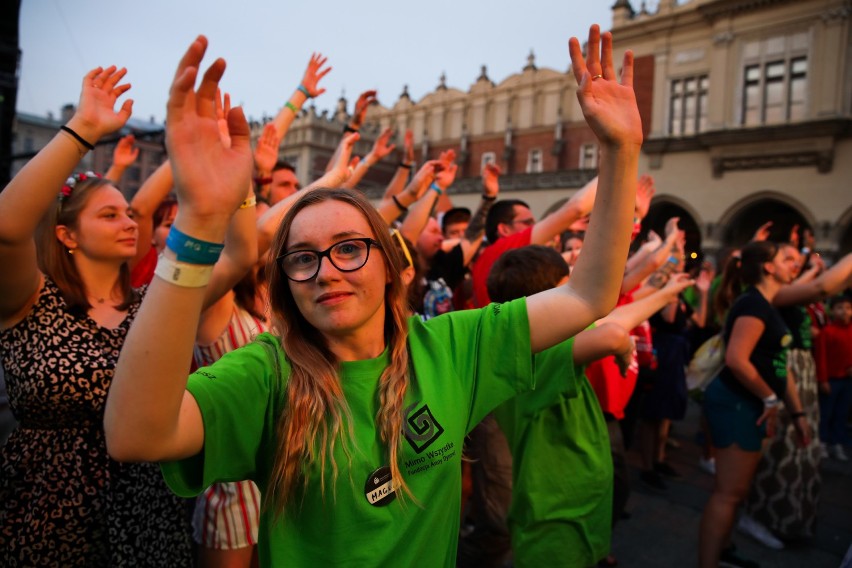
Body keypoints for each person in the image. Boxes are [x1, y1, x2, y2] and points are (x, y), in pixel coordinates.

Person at [105, 26, 643, 566]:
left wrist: (620, 151)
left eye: (348, 249)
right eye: (302, 257)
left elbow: (589, 295)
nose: (325, 271)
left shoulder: (454, 349)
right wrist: (197, 222)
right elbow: (135, 436)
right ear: (286, 282)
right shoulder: (268, 375)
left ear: (391, 266)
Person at [0, 66, 199, 565]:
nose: (129, 221)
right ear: (67, 235)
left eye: (129, 213)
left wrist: (200, 155)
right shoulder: (31, 299)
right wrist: (82, 131)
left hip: (149, 519)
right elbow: (6, 229)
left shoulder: (152, 306)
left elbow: (239, 255)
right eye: (109, 215)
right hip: (50, 520)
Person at [698, 241, 812, 568]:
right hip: (737, 403)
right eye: (787, 259)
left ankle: (725, 547)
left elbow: (780, 363)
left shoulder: (768, 303)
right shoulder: (754, 305)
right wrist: (770, 397)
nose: (796, 264)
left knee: (737, 490)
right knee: (728, 492)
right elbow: (736, 360)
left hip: (752, 404)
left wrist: (797, 411)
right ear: (768, 267)